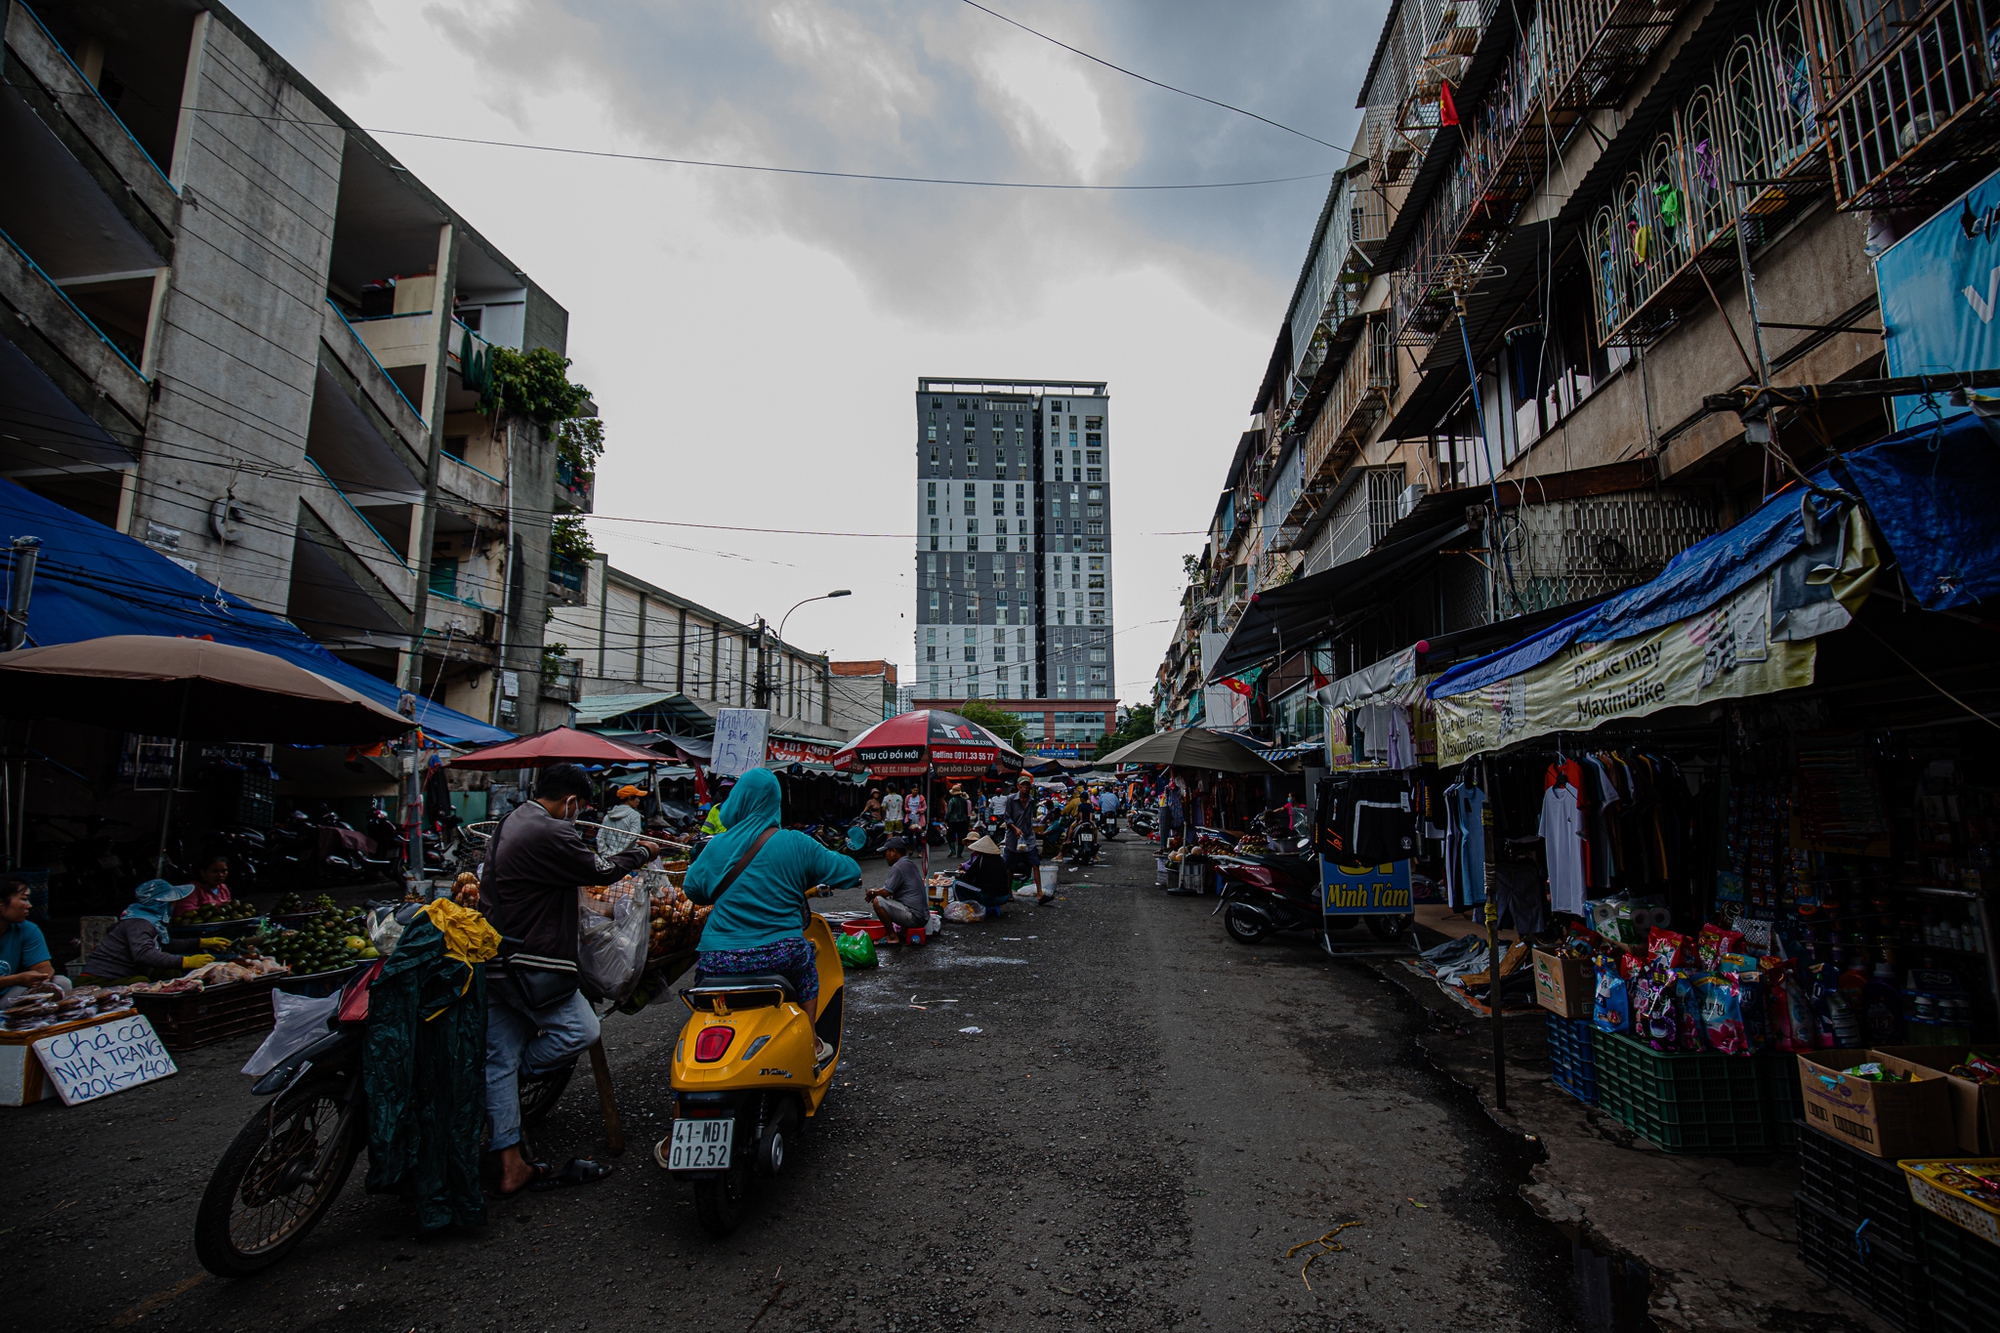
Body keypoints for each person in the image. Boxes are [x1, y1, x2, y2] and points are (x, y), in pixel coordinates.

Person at [483, 763, 661, 1196]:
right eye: (579, 807)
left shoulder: (515, 819)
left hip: (494, 955)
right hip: (530, 961)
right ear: (570, 803)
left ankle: (511, 1163)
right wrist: (644, 852)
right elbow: (600, 870)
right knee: (581, 1030)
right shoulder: (550, 830)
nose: (579, 813)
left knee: (499, 1060)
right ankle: (487, 1089)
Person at [683, 768, 861, 1063]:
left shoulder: (714, 846)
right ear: (774, 802)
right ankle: (812, 1043)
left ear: (739, 801)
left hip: (717, 958)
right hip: (779, 953)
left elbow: (693, 891)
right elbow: (850, 872)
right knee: (806, 966)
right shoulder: (795, 843)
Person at [79, 879, 230, 982]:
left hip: (120, 976)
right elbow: (144, 954)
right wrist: (185, 961)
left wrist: (201, 943)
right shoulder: (139, 923)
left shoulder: (150, 922)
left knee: (169, 972)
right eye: (172, 903)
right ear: (162, 905)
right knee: (141, 982)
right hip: (97, 979)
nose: (175, 906)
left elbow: (165, 945)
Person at [0, 879, 53, 1001]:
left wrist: (42, 977)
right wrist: (16, 979)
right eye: (24, 899)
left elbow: (43, 967)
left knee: (61, 982)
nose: (29, 905)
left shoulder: (27, 929)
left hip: (6, 994)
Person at [867, 836, 929, 933]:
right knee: (893, 898)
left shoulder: (898, 866)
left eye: (886, 853)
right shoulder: (909, 863)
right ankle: (903, 932)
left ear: (893, 851)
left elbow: (886, 891)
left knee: (878, 902)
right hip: (922, 916)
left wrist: (872, 892)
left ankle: (892, 936)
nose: (885, 856)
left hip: (915, 916)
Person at [952, 835, 1013, 916]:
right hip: (1004, 896)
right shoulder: (1000, 859)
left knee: (956, 883)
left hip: (988, 897)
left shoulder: (981, 860)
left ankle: (963, 909)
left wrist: (961, 874)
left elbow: (967, 878)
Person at [599, 784, 647, 856]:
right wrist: (620, 853)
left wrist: (604, 853)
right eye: (637, 798)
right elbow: (633, 837)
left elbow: (600, 837)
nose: (639, 801)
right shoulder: (635, 815)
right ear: (629, 798)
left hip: (608, 856)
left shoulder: (608, 816)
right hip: (626, 857)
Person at [944, 785, 971, 850]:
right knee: (961, 836)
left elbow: (949, 811)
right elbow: (966, 811)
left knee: (950, 836)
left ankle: (953, 850)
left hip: (953, 821)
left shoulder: (952, 800)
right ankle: (959, 852)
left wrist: (945, 819)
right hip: (963, 820)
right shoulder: (964, 800)